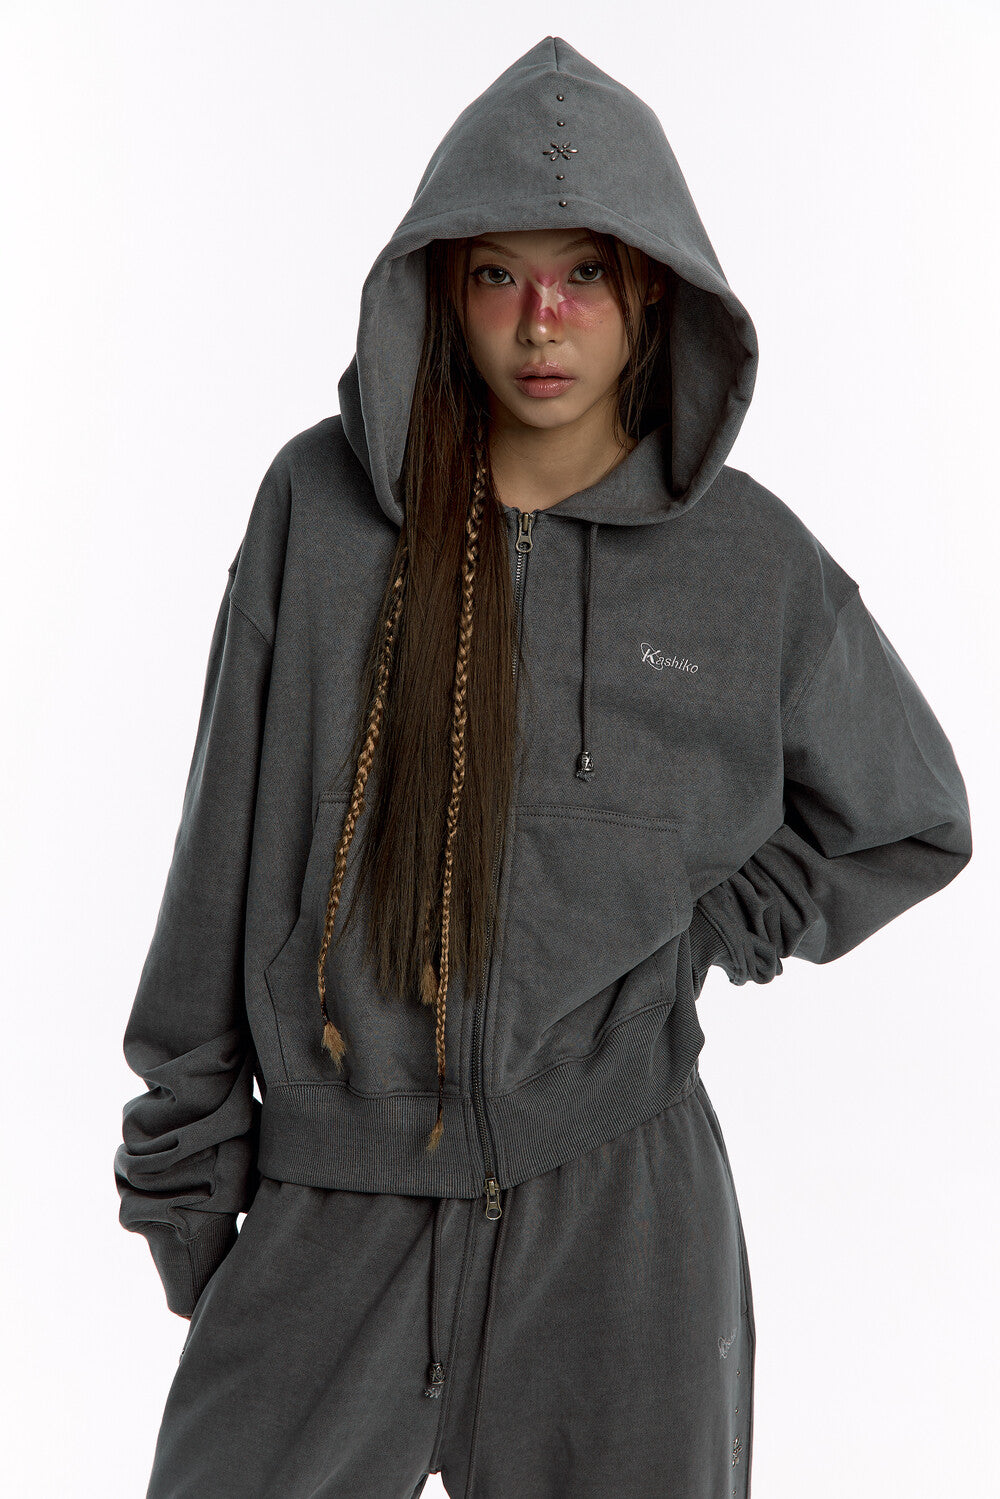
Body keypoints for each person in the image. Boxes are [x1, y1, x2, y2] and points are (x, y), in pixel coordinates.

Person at [113, 34, 973, 1499]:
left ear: (651, 290)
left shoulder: (747, 560)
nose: (540, 321)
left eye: (581, 273)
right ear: (441, 293)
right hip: (334, 1202)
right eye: (497, 276)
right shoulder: (316, 512)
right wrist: (196, 1210)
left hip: (617, 1223)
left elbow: (909, 817)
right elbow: (218, 868)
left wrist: (703, 930)